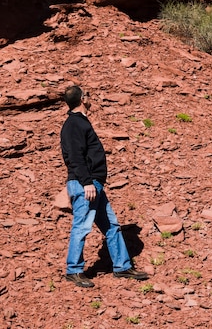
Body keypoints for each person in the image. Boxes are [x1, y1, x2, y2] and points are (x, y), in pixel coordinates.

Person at [60, 85, 149, 287]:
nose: (90, 98)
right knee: (81, 227)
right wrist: (87, 182)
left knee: (111, 226)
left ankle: (122, 266)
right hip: (86, 185)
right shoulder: (74, 124)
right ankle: (73, 270)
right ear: (83, 98)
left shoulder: (80, 122)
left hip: (94, 185)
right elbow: (74, 157)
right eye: (88, 95)